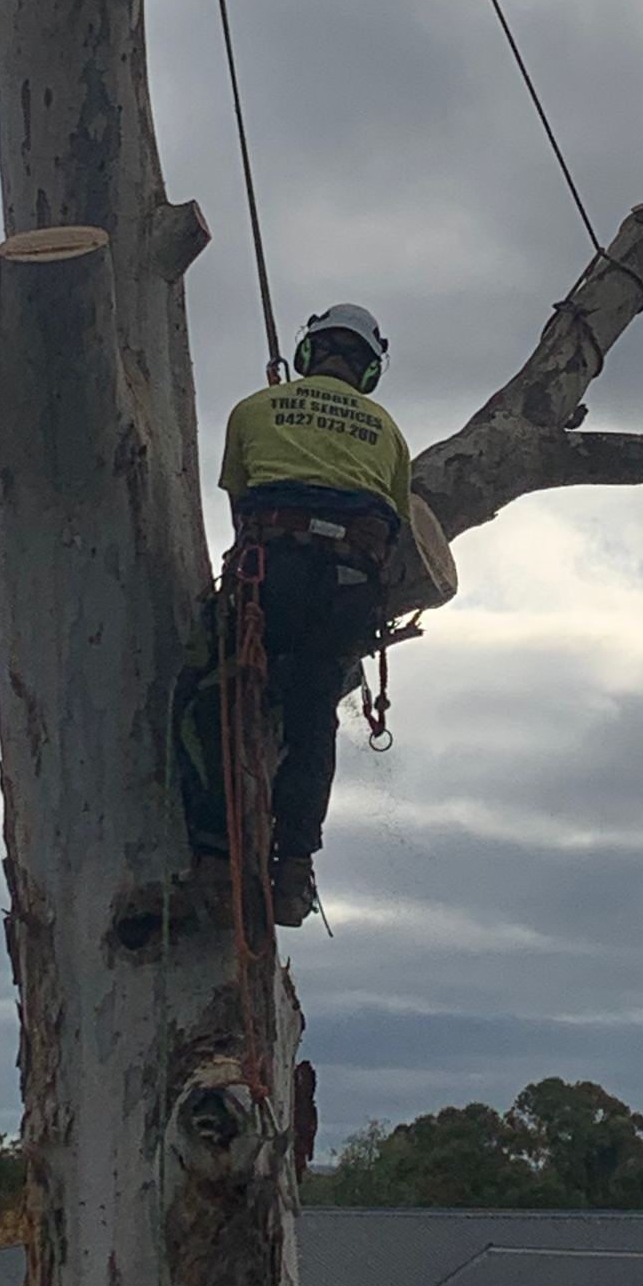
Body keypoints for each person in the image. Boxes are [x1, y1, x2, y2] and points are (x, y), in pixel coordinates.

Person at [212, 304, 412, 927]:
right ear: (369, 368)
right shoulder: (389, 432)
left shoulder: (252, 409)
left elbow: (242, 504)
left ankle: (213, 858)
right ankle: (294, 864)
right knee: (312, 716)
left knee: (207, 695)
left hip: (270, 577)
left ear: (307, 353)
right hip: (348, 591)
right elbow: (395, 526)